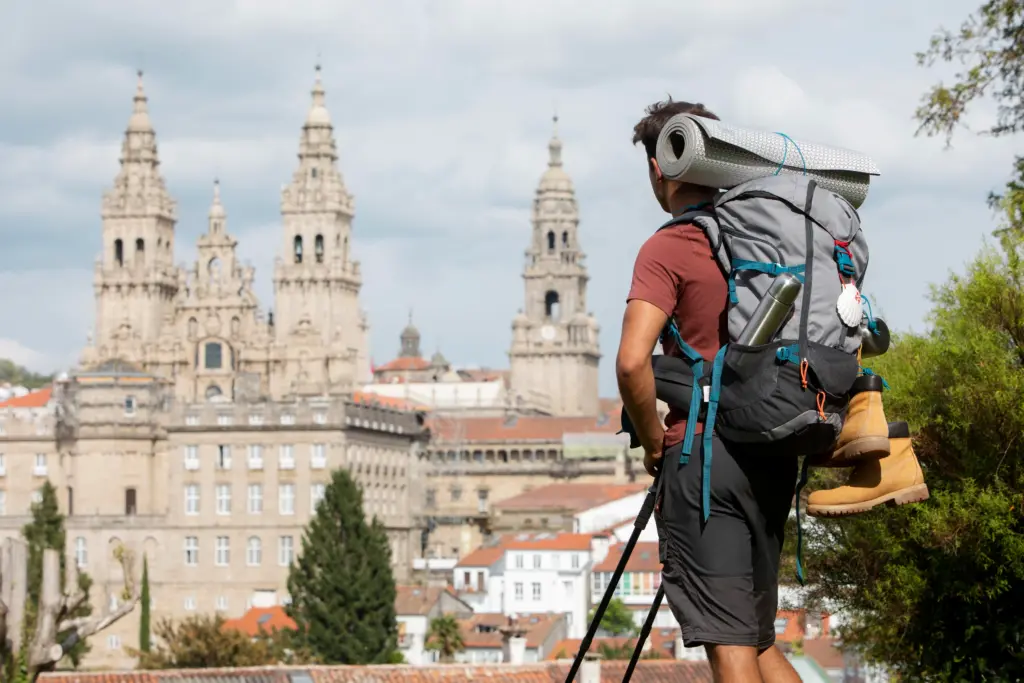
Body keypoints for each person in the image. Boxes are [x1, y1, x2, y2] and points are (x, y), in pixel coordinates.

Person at [615, 98, 801, 683]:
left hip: (703, 460)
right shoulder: (765, 242)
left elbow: (630, 364)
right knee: (758, 638)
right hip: (771, 452)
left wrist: (651, 439)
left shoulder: (670, 247)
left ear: (657, 168)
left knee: (729, 645)